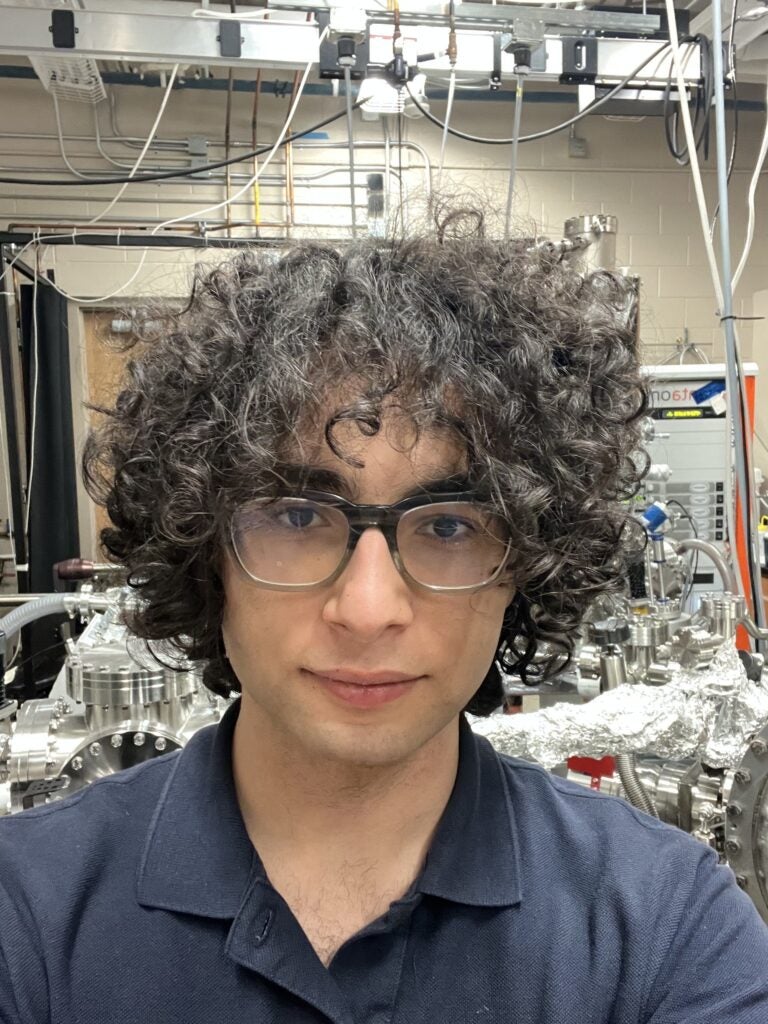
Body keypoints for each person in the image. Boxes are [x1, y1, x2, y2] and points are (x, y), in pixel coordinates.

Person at [1, 212, 767, 1024]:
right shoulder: (29, 918)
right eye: (297, 518)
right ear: (204, 551)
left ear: (527, 566)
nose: (368, 611)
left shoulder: (665, 930)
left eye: (447, 527)